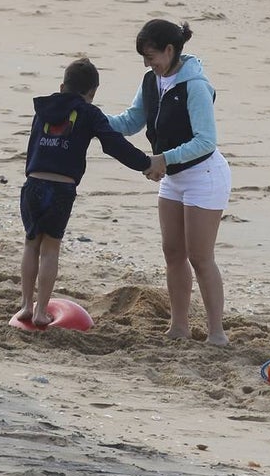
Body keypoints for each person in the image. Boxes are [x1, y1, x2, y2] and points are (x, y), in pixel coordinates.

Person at [107, 20, 232, 346]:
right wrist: (93, 119)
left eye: (151, 57)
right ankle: (179, 326)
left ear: (170, 50)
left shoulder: (195, 86)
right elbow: (131, 121)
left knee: (200, 256)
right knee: (173, 252)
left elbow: (206, 140)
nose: (148, 64)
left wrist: (163, 159)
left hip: (205, 176)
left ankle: (217, 332)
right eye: (144, 59)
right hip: (174, 178)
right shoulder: (151, 81)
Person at [18, 57, 151, 327]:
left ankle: (24, 306)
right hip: (60, 189)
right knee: (50, 250)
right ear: (91, 93)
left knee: (31, 244)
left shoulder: (42, 110)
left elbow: (32, 148)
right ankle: (42, 310)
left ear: (62, 85)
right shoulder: (89, 113)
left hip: (32, 184)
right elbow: (114, 144)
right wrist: (146, 164)